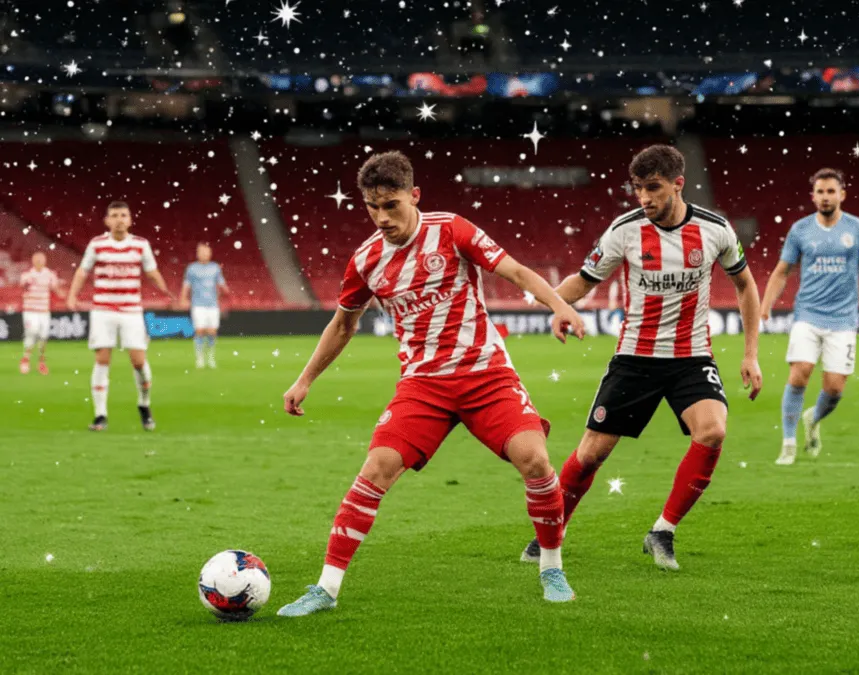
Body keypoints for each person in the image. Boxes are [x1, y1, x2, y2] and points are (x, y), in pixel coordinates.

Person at [276, 151, 586, 616]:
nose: (382, 218)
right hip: (424, 385)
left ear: (414, 196)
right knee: (376, 467)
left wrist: (558, 306)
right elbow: (343, 324)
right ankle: (326, 588)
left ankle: (551, 567)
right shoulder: (366, 260)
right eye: (372, 207)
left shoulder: (452, 229)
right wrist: (305, 379)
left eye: (392, 205)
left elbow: (517, 272)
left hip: (486, 375)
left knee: (536, 462)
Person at [519, 144, 763, 571]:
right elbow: (584, 279)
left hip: (691, 357)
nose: (645, 198)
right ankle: (549, 534)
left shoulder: (715, 229)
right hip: (636, 358)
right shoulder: (625, 230)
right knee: (591, 454)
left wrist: (751, 354)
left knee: (712, 431)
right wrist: (558, 305)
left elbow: (746, 286)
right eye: (638, 189)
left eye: (654, 188)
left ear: (677, 184)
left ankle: (662, 531)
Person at [759, 168, 859, 465]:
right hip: (807, 314)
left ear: (842, 194)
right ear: (813, 196)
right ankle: (789, 443)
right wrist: (766, 303)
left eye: (831, 191)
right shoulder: (800, 230)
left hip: (843, 320)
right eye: (820, 191)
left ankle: (813, 419)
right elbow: (782, 271)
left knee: (834, 387)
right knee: (800, 372)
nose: (825, 197)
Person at [66, 201, 175, 432]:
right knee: (102, 359)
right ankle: (100, 415)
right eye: (114, 215)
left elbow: (151, 272)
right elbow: (82, 270)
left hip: (131, 310)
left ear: (130, 219)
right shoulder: (97, 244)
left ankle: (144, 404)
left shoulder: (140, 245)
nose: (119, 219)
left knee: (138, 360)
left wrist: (166, 291)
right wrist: (72, 295)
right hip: (103, 309)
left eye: (123, 215)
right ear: (107, 221)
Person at [181, 243, 230, 368]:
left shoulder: (215, 268)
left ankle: (211, 357)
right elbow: (186, 285)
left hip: (212, 305)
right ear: (198, 253)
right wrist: (183, 298)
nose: (204, 254)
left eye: (206, 252)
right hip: (198, 305)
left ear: (210, 253)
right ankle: (200, 358)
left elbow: (221, 284)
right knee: (200, 330)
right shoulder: (192, 268)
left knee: (212, 332)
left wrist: (225, 292)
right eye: (202, 252)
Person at [18, 252, 65, 374]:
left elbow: (56, 289)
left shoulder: (50, 275)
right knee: (32, 332)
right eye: (37, 260)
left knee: (43, 336)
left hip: (44, 311)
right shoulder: (27, 275)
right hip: (30, 311)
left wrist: (62, 294)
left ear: (44, 261)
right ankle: (25, 359)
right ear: (33, 261)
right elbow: (22, 287)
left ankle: (41, 362)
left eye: (41, 260)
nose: (39, 262)